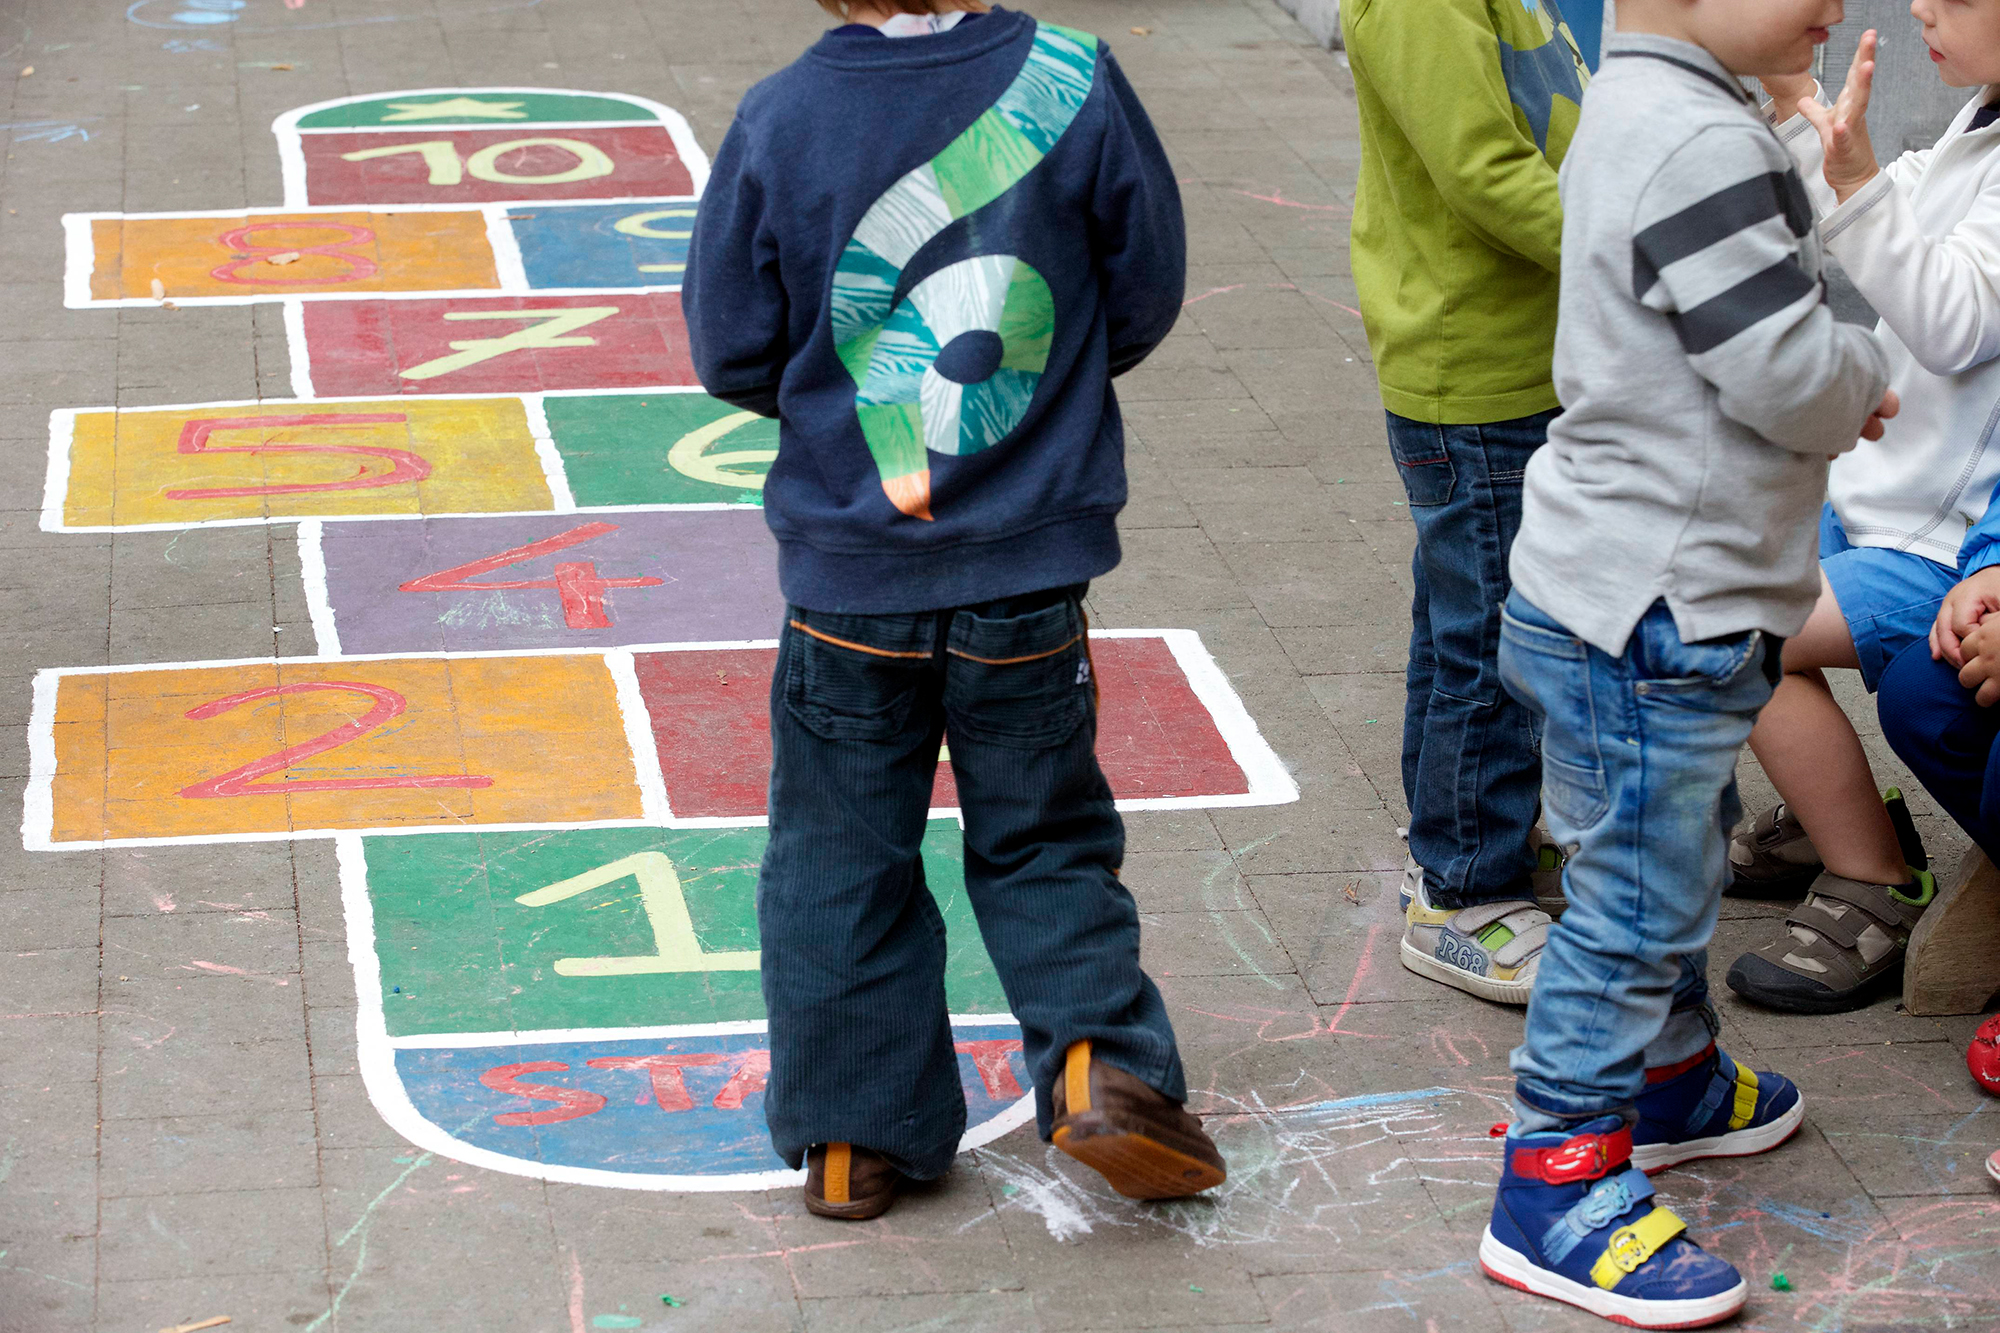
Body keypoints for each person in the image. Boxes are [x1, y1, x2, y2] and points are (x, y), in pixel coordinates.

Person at [683, 0, 1225, 1221]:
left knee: (837, 851)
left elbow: (731, 345)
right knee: (1042, 836)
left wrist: (851, 402)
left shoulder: (780, 116)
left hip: (849, 576)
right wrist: (1036, 400)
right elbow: (1143, 288)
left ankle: (849, 1139)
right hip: (1026, 568)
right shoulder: (1071, 80)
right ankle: (1102, 1067)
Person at [1485, 0, 1897, 1322]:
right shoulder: (1697, 144)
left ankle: (1666, 1080)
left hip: (1614, 588)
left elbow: (1777, 295)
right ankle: (1555, 1179)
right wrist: (1862, 369)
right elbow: (1792, 369)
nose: (1833, 5)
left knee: (1652, 849)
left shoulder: (1657, 105)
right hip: (1661, 604)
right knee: (1638, 901)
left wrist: (1789, 140)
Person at [1723, 2, 2000, 1013]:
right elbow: (1862, 221)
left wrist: (1847, 176)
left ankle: (1873, 877)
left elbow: (1951, 318)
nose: (1923, 4)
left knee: (1729, 627)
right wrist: (1801, 107)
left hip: (1937, 548)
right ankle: (1825, 805)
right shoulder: (1978, 122)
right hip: (1878, 504)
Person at [1342, 0, 1594, 1004]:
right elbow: (1484, 171)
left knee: (1464, 628)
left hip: (1523, 357)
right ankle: (1460, 897)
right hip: (1479, 371)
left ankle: (1459, 841)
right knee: (1490, 644)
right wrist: (1634, 267)